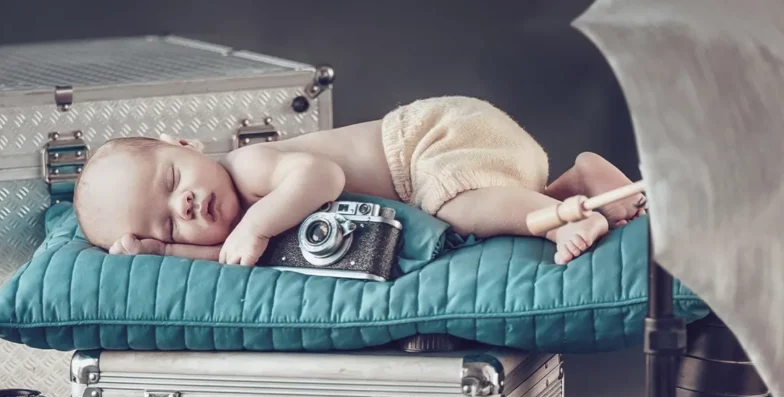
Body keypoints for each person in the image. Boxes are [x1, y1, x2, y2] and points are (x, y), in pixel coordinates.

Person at [72, 96, 646, 267]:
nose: (188, 204)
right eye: (169, 217)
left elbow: (323, 177)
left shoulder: (248, 169)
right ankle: (579, 181)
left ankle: (561, 220)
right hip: (457, 153)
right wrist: (158, 250)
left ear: (186, 146)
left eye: (174, 179)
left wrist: (254, 223)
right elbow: (232, 253)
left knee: (458, 209)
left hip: (435, 135)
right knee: (471, 201)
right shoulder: (236, 219)